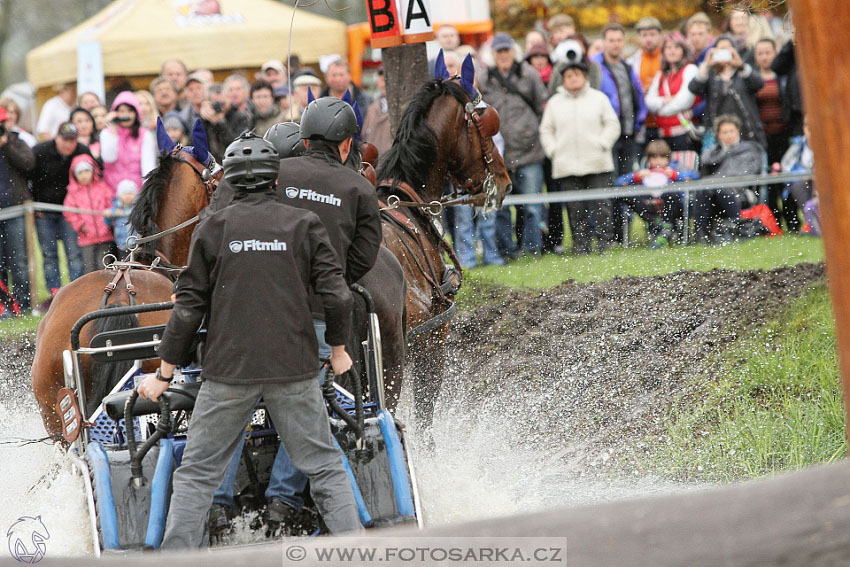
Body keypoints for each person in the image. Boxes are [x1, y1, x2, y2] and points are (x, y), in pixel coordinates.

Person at [138, 132, 363, 549]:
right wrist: (337, 350)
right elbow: (338, 295)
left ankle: (174, 558)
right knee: (325, 466)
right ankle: (358, 551)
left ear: (231, 183)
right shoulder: (304, 224)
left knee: (197, 473)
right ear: (274, 179)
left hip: (228, 372)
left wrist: (164, 375)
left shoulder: (213, 227)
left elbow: (188, 308)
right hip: (293, 369)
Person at [209, 98, 381, 535]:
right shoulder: (359, 188)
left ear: (302, 141)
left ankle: (216, 505)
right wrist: (325, 278)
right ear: (346, 146)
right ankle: (283, 502)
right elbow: (360, 260)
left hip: (249, 311)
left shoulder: (273, 173)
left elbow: (222, 229)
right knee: (309, 409)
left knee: (230, 411)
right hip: (319, 319)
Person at [539, 61, 621, 255]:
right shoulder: (554, 103)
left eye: (577, 74)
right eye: (569, 75)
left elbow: (612, 124)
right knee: (576, 210)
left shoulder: (598, 98)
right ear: (563, 79)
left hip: (597, 162)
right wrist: (553, 150)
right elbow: (546, 130)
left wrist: (602, 143)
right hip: (567, 165)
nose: (573, 78)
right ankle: (581, 245)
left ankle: (604, 245)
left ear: (585, 77)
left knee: (602, 207)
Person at [479, 32, 547, 257]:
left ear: (513, 51)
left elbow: (540, 106)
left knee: (532, 207)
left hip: (529, 151)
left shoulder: (529, 75)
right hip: (498, 154)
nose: (503, 55)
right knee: (502, 208)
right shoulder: (484, 78)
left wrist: (529, 130)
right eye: (499, 51)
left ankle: (531, 249)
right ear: (493, 54)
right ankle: (508, 250)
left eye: (506, 50)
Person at [30, 123, 91, 294]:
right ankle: (55, 291)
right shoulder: (40, 151)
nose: (69, 144)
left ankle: (77, 291)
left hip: (70, 212)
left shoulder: (82, 151)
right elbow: (28, 177)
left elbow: (95, 171)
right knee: (49, 254)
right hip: (44, 210)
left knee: (74, 253)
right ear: (57, 138)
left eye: (72, 140)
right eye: (65, 140)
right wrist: (34, 203)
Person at [688, 34, 766, 152]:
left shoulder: (743, 72)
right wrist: (706, 65)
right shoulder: (711, 74)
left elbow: (759, 83)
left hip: (746, 129)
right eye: (720, 49)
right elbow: (694, 88)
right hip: (717, 131)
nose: (724, 52)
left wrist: (740, 64)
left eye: (728, 48)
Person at [616, 139, 699, 249]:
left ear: (668, 158)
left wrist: (675, 175)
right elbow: (619, 182)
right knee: (628, 195)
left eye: (662, 157)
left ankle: (665, 229)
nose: (658, 161)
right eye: (654, 157)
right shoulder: (645, 172)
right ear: (648, 159)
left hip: (674, 205)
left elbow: (695, 176)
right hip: (650, 204)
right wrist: (636, 177)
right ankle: (661, 225)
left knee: (671, 193)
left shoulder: (675, 168)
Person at [694, 114, 763, 243]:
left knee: (719, 187)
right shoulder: (711, 154)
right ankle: (701, 233)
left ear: (738, 131)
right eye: (725, 132)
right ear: (718, 135)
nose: (729, 135)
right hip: (712, 191)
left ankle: (737, 228)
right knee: (704, 188)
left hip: (740, 191)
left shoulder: (749, 150)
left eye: (732, 131)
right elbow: (702, 175)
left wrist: (719, 181)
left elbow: (748, 174)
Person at [0, 106, 36, 311]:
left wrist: (6, 146)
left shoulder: (16, 140)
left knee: (19, 260)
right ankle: (5, 307)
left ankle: (23, 304)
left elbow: (28, 163)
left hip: (15, 209)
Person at [754, 38, 790, 230]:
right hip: (763, 137)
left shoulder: (782, 77)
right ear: (755, 57)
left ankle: (792, 218)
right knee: (769, 181)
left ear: (775, 54)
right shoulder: (752, 79)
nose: (764, 56)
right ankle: (774, 223)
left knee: (786, 176)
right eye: (760, 53)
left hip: (784, 134)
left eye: (768, 52)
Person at [645, 32, 700, 151]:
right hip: (663, 135)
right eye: (668, 48)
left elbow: (684, 101)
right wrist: (665, 100)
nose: (672, 51)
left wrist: (661, 111)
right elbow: (649, 101)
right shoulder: (661, 75)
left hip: (683, 134)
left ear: (683, 50)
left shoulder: (690, 70)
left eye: (676, 47)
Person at [62, 155, 114, 273]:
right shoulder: (73, 193)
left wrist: (109, 221)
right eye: (80, 172)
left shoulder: (103, 187)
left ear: (93, 171)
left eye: (87, 171)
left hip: (105, 236)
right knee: (90, 269)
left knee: (105, 267)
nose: (84, 175)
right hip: (86, 238)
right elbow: (69, 212)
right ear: (75, 175)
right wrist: (80, 225)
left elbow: (111, 204)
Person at [100, 91, 157, 196]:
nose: (125, 114)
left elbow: (148, 167)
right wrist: (113, 128)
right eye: (121, 111)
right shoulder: (107, 133)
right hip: (111, 193)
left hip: (136, 194)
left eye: (130, 111)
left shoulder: (144, 135)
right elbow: (108, 158)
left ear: (136, 113)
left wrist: (147, 194)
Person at [361, 68, 391, 156]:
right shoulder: (371, 108)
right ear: (377, 83)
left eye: (388, 79)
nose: (385, 84)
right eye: (382, 80)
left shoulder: (403, 108)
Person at [104, 179, 139, 252]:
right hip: (122, 244)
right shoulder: (116, 209)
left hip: (137, 244)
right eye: (125, 194)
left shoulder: (138, 209)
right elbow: (108, 223)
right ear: (119, 195)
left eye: (130, 193)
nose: (127, 196)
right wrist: (107, 216)